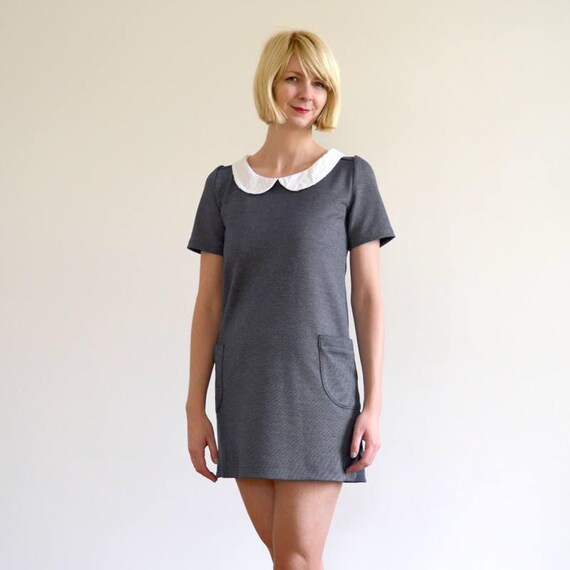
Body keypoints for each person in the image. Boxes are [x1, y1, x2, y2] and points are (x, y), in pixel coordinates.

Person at [185, 29, 396, 569]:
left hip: (319, 390)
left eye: (320, 83)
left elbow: (367, 296)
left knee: (297, 558)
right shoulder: (223, 187)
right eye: (293, 78)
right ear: (269, 83)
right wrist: (194, 406)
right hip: (246, 388)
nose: (307, 93)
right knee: (287, 560)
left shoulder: (350, 178)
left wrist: (373, 403)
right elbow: (209, 304)